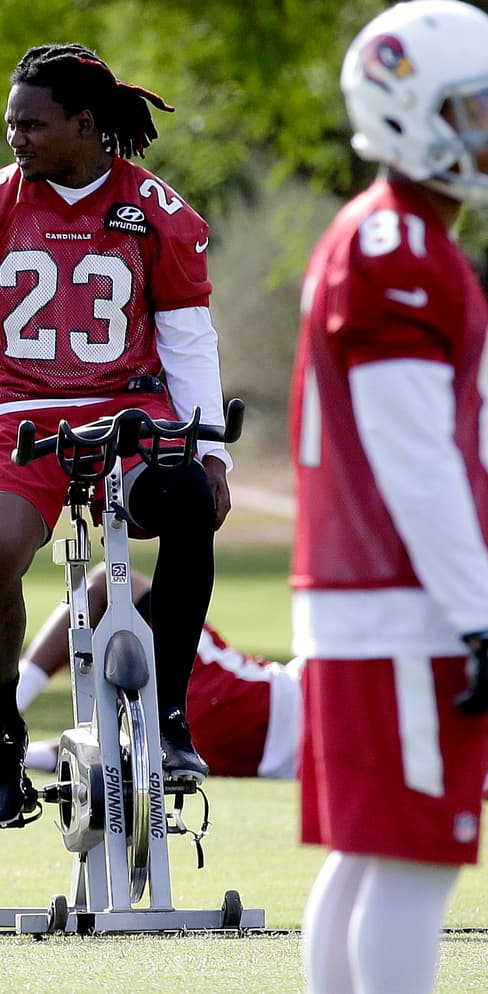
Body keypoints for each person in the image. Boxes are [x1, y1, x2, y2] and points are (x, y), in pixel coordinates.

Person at [0, 43, 233, 830]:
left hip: (131, 406)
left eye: (32, 124)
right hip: (22, 409)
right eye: (10, 124)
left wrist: (210, 450)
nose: (16, 138)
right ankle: (2, 728)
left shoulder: (156, 210)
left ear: (84, 125)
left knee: (189, 502)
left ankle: (168, 717)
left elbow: (187, 335)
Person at [289, 3, 488, 991]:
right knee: (413, 859)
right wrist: (477, 612)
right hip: (404, 598)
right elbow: (413, 454)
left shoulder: (381, 236)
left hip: (363, 592)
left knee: (367, 856)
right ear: (412, 112)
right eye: (472, 110)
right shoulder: (398, 249)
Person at [0, 566, 302, 780]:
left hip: (247, 698)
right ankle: (19, 759)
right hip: (234, 751)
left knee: (110, 582)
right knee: (128, 753)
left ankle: (1, 710)